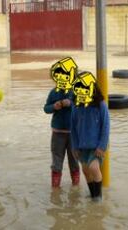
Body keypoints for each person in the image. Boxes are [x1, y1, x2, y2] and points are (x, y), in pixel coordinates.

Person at [71, 71, 110, 202]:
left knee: (94, 168)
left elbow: (106, 127)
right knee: (86, 171)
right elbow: (73, 128)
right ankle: (92, 194)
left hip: (97, 147)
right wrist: (75, 147)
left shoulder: (101, 105)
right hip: (82, 147)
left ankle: (98, 197)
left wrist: (102, 146)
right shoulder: (76, 107)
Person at [44, 57, 80, 188]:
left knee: (74, 161)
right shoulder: (53, 92)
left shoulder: (76, 90)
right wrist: (54, 106)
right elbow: (46, 108)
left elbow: (81, 105)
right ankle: (55, 188)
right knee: (56, 161)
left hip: (73, 133)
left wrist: (70, 103)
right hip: (58, 133)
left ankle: (75, 187)